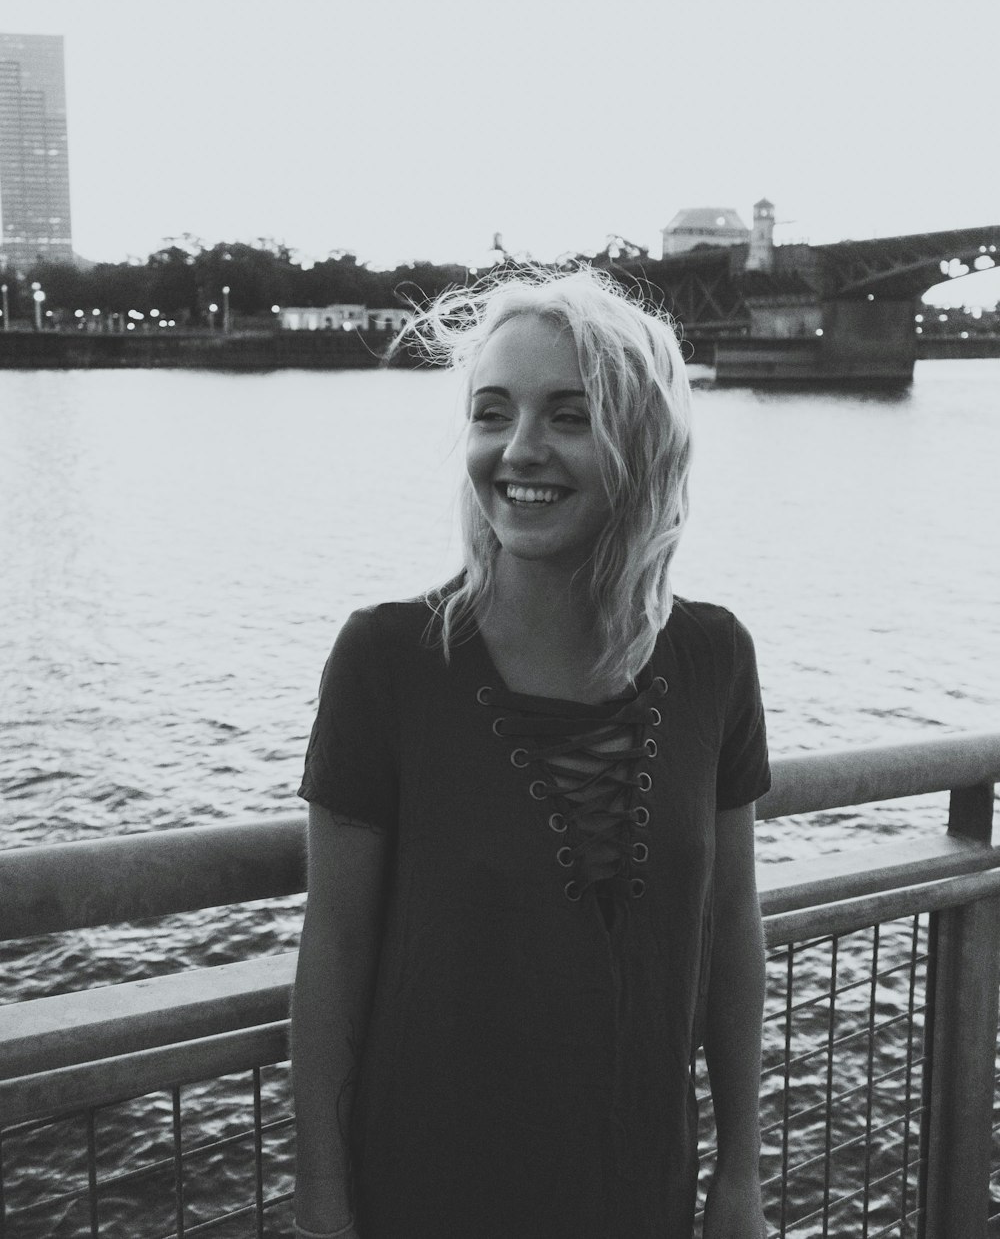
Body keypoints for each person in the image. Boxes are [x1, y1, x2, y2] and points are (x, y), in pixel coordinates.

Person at [292, 266, 770, 1239]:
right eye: (491, 413)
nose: (518, 450)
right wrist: (323, 1208)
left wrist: (738, 1177)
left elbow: (730, 931)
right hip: (429, 1195)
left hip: (640, 1188)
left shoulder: (714, 656)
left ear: (642, 440)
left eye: (567, 415)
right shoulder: (386, 661)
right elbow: (333, 954)